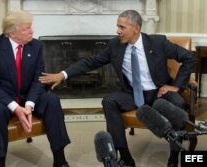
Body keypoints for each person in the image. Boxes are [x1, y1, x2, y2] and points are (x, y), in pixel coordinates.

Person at [39, 10, 196, 167]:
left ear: (136, 28)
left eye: (122, 27)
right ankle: (126, 157)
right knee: (109, 101)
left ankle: (174, 156)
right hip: (132, 93)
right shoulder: (115, 45)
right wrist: (62, 74)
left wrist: (175, 86)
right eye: (117, 26)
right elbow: (90, 62)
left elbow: (188, 57)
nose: (117, 31)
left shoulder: (157, 42)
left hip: (159, 91)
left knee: (179, 104)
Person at [0, 10, 70, 167]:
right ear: (12, 33)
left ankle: (60, 160)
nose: (32, 31)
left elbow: (38, 79)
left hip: (27, 96)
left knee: (52, 100)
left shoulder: (36, 46)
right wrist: (15, 107)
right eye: (27, 28)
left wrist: (29, 104)